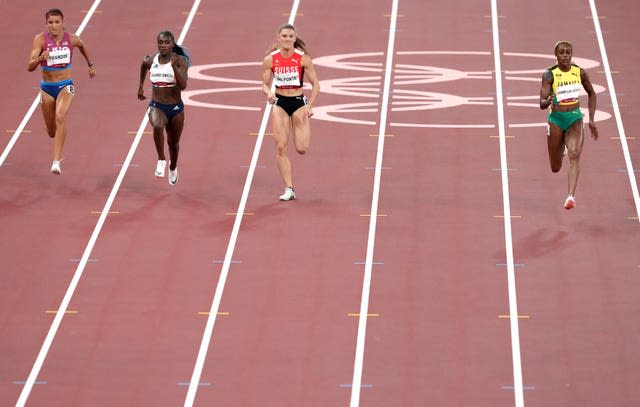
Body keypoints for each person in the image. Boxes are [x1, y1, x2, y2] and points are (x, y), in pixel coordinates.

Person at [27, 8, 96, 175]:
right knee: (51, 131)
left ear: (62, 23)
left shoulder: (71, 39)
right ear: (46, 24)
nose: (54, 26)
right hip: (46, 88)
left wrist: (90, 65)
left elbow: (82, 45)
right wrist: (40, 59)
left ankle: (56, 161)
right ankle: (57, 134)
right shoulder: (40, 40)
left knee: (60, 116)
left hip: (66, 85)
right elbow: (29, 66)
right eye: (50, 22)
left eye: (57, 22)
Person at [261, 24, 320, 201]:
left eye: (290, 36)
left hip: (298, 103)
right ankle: (289, 188)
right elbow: (264, 84)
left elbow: (316, 84)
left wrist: (309, 106)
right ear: (278, 37)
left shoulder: (303, 59)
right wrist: (269, 93)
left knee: (301, 148)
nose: (287, 39)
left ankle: (298, 125)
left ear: (295, 38)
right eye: (284, 36)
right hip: (280, 103)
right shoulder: (270, 60)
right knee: (281, 146)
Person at [539, 40, 599, 210]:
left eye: (568, 52)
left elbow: (592, 94)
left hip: (574, 118)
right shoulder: (549, 74)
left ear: (571, 54)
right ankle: (561, 149)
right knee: (555, 167)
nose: (565, 55)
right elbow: (541, 103)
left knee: (575, 155)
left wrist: (592, 119)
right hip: (556, 119)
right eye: (562, 52)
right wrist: (548, 100)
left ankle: (570, 196)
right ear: (556, 55)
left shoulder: (579, 72)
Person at [138, 31, 190, 185]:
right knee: (157, 125)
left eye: (167, 42)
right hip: (157, 105)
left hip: (175, 109)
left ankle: (173, 167)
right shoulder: (151, 60)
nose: (163, 45)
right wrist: (140, 86)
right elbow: (143, 65)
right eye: (160, 42)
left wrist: (174, 68)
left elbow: (183, 86)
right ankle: (161, 159)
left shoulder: (180, 61)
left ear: (172, 44)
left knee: (173, 144)